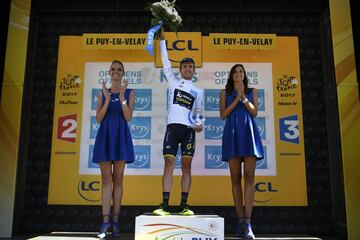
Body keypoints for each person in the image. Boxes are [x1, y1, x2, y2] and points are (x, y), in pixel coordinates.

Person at [152, 28, 204, 216]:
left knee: (187, 167)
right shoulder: (173, 82)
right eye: (184, 67)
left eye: (190, 66)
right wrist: (162, 41)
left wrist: (199, 125)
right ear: (181, 70)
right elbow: (166, 62)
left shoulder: (198, 91)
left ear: (194, 70)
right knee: (169, 164)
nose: (188, 69)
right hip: (173, 129)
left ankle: (184, 205)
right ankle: (164, 205)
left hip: (188, 131)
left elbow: (199, 114)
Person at [219, 64, 264, 240]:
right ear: (231, 76)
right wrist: (236, 98)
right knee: (235, 178)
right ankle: (240, 221)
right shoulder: (224, 93)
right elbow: (223, 115)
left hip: (249, 134)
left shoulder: (252, 91)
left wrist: (243, 97)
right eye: (235, 72)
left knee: (250, 177)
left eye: (241, 72)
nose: (238, 74)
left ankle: (248, 222)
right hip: (232, 134)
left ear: (244, 75)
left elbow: (254, 112)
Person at [92, 60, 135, 238]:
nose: (116, 72)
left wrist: (123, 99)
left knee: (118, 180)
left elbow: (128, 117)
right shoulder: (103, 94)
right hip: (105, 137)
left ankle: (115, 221)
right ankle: (105, 222)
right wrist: (108, 99)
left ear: (123, 73)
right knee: (105, 180)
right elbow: (99, 119)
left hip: (121, 137)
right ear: (109, 73)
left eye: (119, 70)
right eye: (113, 69)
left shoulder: (130, 93)